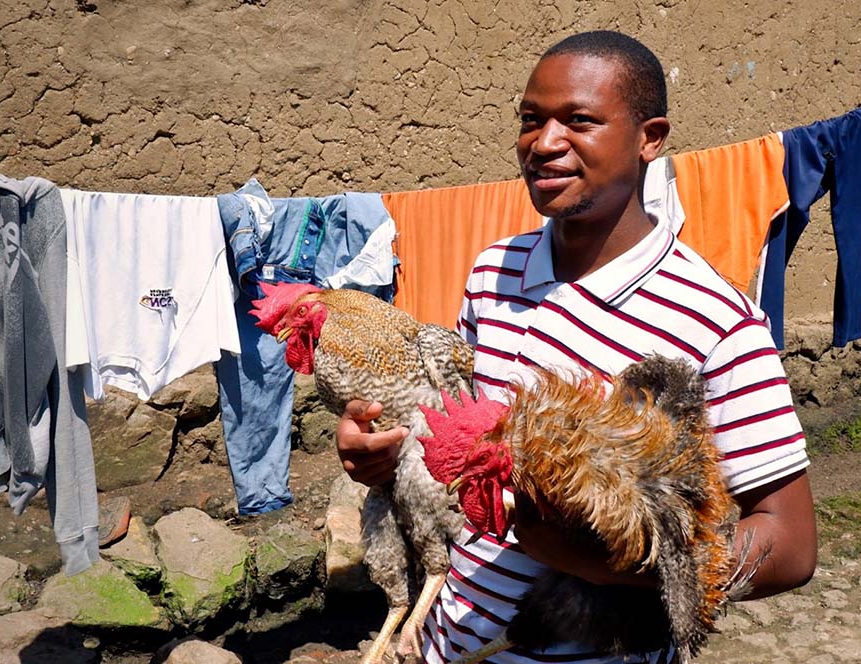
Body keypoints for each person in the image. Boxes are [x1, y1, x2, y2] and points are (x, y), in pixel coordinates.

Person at [337, 30, 817, 663]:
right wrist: (386, 456)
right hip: (446, 637)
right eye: (530, 121)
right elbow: (474, 447)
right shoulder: (495, 273)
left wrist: (618, 563)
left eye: (580, 121)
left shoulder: (717, 322)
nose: (544, 143)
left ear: (651, 137)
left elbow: (790, 544)